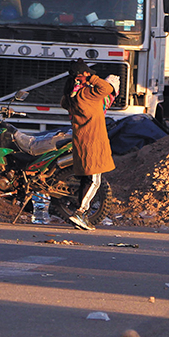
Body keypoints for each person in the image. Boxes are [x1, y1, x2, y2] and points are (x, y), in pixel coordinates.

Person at [60, 59, 115, 231]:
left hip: (82, 141)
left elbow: (63, 101)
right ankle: (80, 212)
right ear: (82, 76)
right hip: (93, 142)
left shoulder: (71, 97)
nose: (91, 75)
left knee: (86, 178)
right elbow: (107, 89)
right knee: (95, 180)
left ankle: (82, 216)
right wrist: (91, 78)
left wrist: (84, 79)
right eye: (87, 73)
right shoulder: (86, 94)